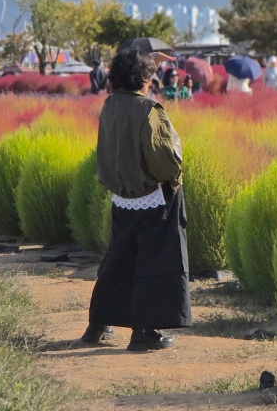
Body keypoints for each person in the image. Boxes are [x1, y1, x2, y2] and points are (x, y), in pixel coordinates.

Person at [81, 48, 190, 351]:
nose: (153, 78)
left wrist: (147, 58)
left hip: (121, 198)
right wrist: (175, 178)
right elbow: (163, 159)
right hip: (153, 199)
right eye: (150, 73)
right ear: (143, 77)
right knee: (154, 265)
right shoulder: (149, 110)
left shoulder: (111, 103)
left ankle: (97, 326)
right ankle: (144, 332)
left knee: (117, 263)